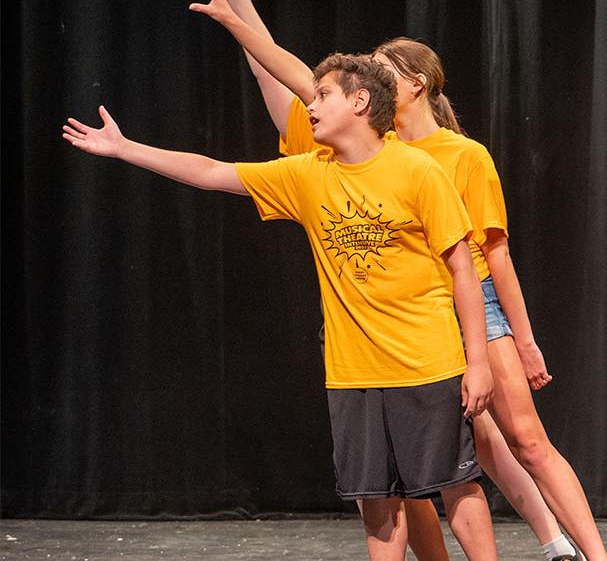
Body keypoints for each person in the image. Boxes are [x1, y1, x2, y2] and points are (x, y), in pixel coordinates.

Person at [192, 0, 607, 559]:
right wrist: (236, 17)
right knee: (435, 461)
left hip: (467, 300)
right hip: (400, 316)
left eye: (381, 70)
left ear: (412, 84)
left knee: (520, 440)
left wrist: (524, 339)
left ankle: (576, 546)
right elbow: (285, 67)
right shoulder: (363, 149)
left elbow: (491, 257)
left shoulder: (457, 155)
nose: (360, 80)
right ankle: (530, 545)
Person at [64, 53, 504, 561]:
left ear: (360, 101)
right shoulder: (307, 175)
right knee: (376, 500)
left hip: (428, 363)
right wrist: (125, 149)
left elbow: (464, 270)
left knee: (455, 484)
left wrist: (477, 364)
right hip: (353, 373)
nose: (310, 107)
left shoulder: (419, 170)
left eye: (323, 96)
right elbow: (212, 172)